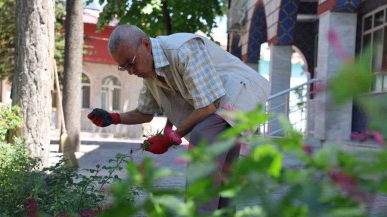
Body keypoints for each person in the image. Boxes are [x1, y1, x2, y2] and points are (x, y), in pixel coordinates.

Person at [87, 24, 269, 214]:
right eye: (124, 67)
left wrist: (171, 137)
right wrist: (114, 117)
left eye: (131, 63)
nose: (131, 71)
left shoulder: (183, 50)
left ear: (146, 45)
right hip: (221, 103)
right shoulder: (149, 73)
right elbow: (145, 113)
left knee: (203, 137)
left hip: (242, 90)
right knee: (225, 175)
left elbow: (208, 106)